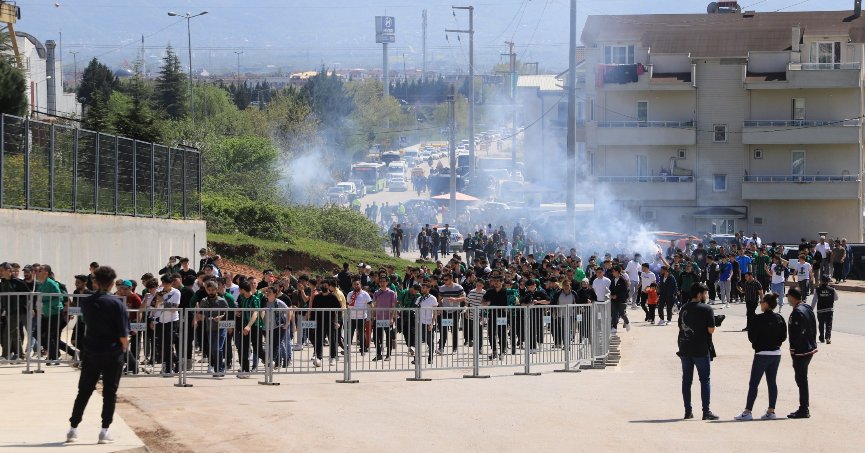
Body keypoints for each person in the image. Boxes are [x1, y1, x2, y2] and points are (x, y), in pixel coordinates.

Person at [66, 266, 129, 445]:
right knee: (110, 392)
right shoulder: (117, 303)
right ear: (111, 283)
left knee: (84, 391)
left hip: (91, 350)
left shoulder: (86, 302)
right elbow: (123, 334)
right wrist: (123, 350)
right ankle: (104, 430)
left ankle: (73, 428)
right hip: (112, 351)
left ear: (95, 282)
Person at [734, 293, 787, 421]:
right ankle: (771, 411)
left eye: (762, 301)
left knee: (754, 383)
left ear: (767, 304)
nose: (760, 303)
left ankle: (748, 411)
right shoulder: (779, 318)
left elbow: (751, 337)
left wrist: (758, 344)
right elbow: (783, 337)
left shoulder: (757, 319)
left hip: (762, 354)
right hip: (776, 353)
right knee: (772, 382)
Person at [677, 282, 718, 420]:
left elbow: (680, 326)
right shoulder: (707, 309)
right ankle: (706, 412)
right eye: (705, 293)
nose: (706, 295)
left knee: (686, 381)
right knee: (704, 380)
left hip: (684, 347)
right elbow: (711, 330)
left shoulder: (683, 308)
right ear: (700, 294)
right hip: (701, 349)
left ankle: (687, 411)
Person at [786, 286, 818, 419]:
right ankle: (804, 407)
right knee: (801, 379)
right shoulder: (807, 307)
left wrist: (793, 350)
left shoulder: (797, 312)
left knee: (801, 380)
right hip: (809, 348)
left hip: (802, 351)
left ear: (792, 297)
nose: (787, 299)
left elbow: (797, 334)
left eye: (788, 296)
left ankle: (804, 409)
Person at [197, 280, 229, 376]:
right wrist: (198, 316)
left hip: (221, 328)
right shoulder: (204, 301)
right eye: (209, 290)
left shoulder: (222, 301)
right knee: (214, 349)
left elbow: (228, 313)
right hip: (209, 328)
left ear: (216, 290)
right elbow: (201, 314)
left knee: (218, 348)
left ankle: (220, 369)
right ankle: (218, 367)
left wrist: (221, 317)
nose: (211, 292)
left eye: (213, 290)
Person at [811, 275, 837, 345]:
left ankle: (822, 338)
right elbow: (836, 298)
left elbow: (814, 301)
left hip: (820, 310)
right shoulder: (832, 289)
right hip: (829, 310)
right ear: (828, 281)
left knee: (821, 324)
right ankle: (827, 337)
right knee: (829, 324)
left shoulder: (817, 290)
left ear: (821, 281)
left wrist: (811, 309)